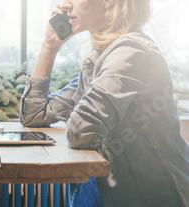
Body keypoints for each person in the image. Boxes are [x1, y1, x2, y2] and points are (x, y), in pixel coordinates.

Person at [19, 0, 189, 206]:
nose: (64, 4)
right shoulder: (103, 59)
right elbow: (33, 115)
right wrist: (49, 47)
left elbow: (80, 132)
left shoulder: (131, 53)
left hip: (156, 198)